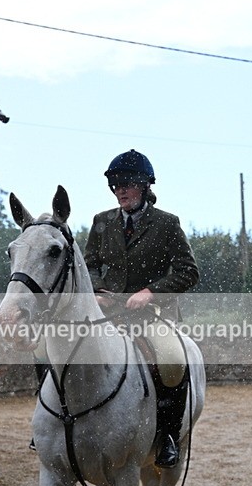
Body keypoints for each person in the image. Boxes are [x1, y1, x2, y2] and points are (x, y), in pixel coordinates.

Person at [84, 149, 199, 468]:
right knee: (59, 346)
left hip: (152, 313)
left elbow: (189, 271)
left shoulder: (167, 224)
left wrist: (151, 292)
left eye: (128, 184)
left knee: (173, 359)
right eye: (116, 185)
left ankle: (169, 436)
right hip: (108, 311)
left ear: (145, 186)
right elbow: (89, 264)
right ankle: (57, 424)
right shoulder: (102, 221)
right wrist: (97, 290)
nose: (121, 190)